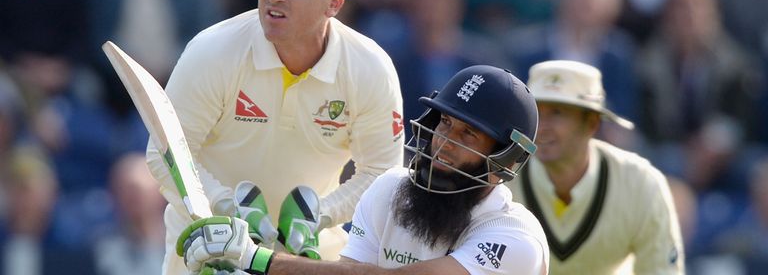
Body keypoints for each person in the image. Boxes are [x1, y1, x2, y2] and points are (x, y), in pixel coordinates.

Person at [146, 0, 405, 274]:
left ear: (335, 2)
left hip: (305, 258)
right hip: (209, 249)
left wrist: (318, 215)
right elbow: (165, 154)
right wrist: (227, 209)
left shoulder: (369, 68)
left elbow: (382, 175)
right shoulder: (214, 51)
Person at [175, 65, 549, 275]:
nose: (444, 142)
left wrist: (256, 258)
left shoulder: (515, 239)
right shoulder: (390, 190)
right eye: (445, 124)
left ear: (503, 160)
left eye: (468, 134)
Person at [508, 60, 684, 274]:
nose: (541, 127)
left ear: (592, 123)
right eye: (535, 112)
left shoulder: (640, 183)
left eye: (557, 113)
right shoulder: (500, 180)